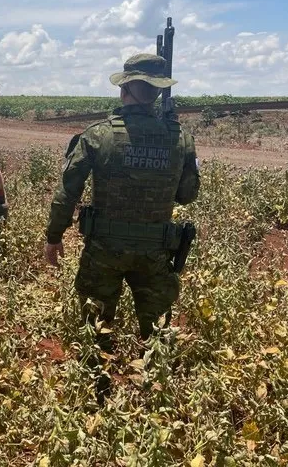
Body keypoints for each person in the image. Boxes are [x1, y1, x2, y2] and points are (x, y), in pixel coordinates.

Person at [44, 53, 200, 352]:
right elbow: (187, 195)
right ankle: (155, 389)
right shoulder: (180, 137)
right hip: (156, 250)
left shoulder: (99, 134)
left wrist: (54, 237)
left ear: (124, 89)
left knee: (95, 334)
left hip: (104, 249)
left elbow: (68, 192)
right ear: (156, 92)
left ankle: (96, 384)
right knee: (157, 337)